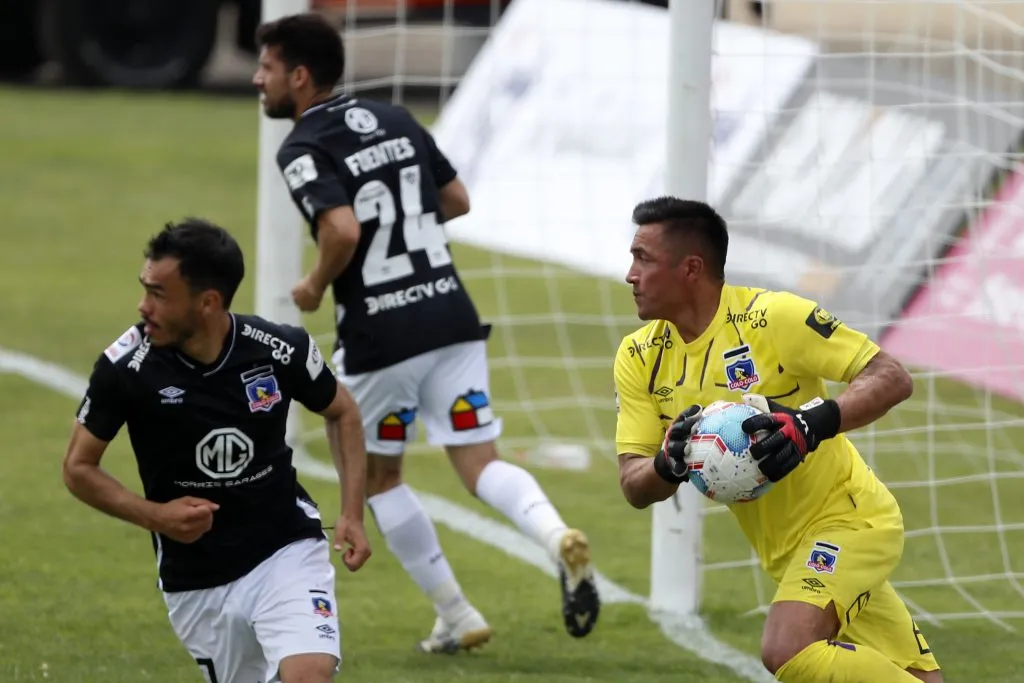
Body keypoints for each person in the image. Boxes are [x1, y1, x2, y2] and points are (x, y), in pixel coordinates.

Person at [251, 12, 600, 652]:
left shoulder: (301, 147)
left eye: (267, 69)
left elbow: (343, 230)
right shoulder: (397, 118)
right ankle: (555, 536)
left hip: (382, 337)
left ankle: (457, 613)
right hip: (449, 315)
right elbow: (459, 199)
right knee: (479, 461)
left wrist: (315, 285)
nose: (258, 80)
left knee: (383, 477)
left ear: (299, 77)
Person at [614, 197, 942, 683]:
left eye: (643, 258)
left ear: (691, 269)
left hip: (851, 520)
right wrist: (668, 461)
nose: (630, 274)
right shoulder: (639, 357)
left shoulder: (774, 318)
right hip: (786, 551)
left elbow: (891, 376)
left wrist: (813, 424)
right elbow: (633, 484)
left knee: (788, 649)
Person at [62, 219, 372, 683]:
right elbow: (78, 468)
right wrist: (157, 516)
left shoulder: (279, 349)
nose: (143, 306)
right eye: (145, 289)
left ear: (207, 302)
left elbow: (342, 411)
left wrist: (351, 511)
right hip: (196, 578)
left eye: (160, 294)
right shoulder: (126, 368)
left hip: (283, 547)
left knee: (309, 674)